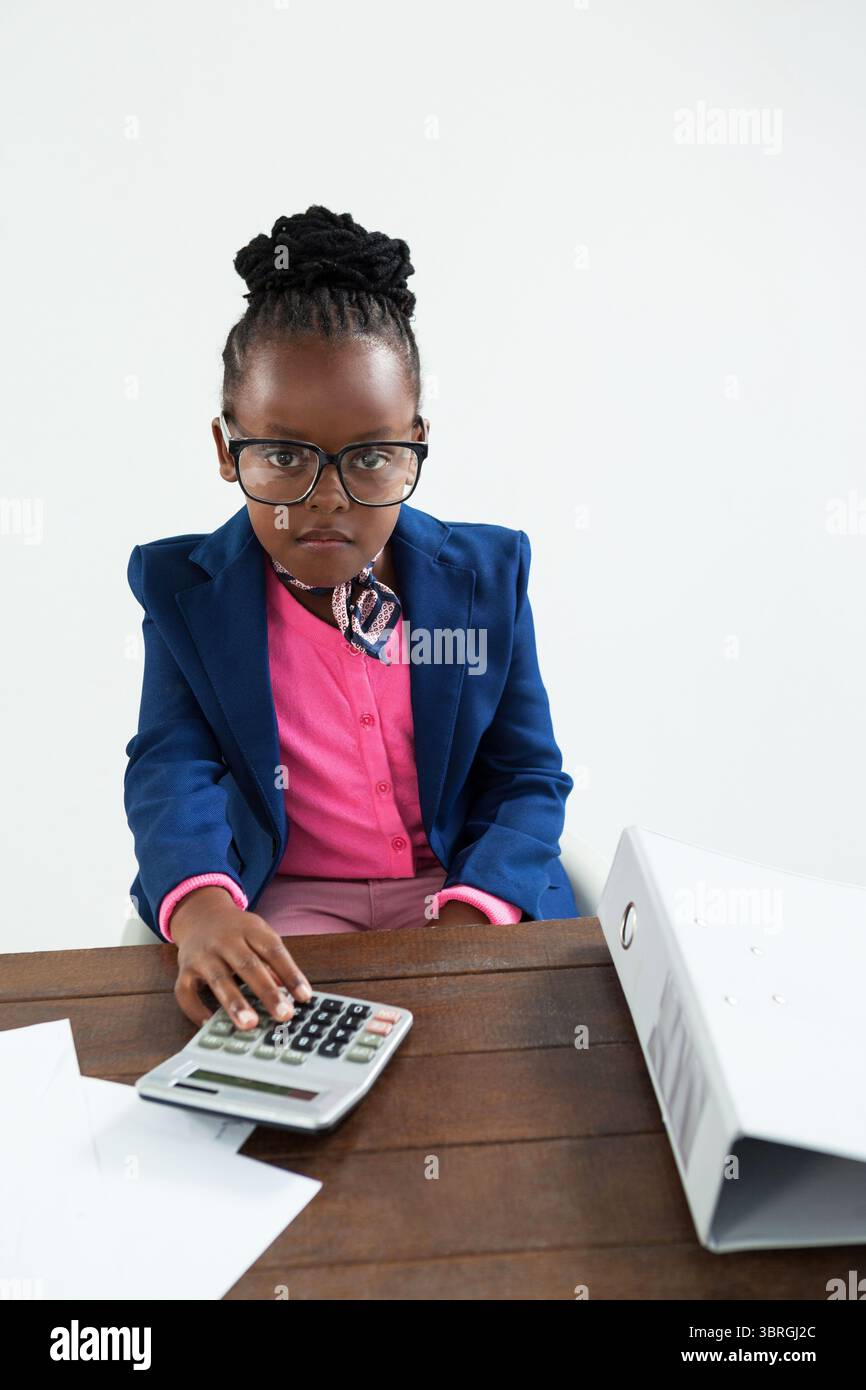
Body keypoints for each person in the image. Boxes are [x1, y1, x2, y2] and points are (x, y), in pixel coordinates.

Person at [124, 204, 577, 1029]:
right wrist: (202, 909)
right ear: (227, 450)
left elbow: (525, 777)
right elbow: (170, 769)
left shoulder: (487, 575)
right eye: (283, 454)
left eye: (371, 456)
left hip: (461, 890)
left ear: (418, 442)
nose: (326, 498)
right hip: (289, 904)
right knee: (272, 1061)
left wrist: (476, 913)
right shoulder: (183, 590)